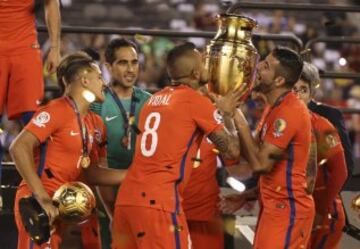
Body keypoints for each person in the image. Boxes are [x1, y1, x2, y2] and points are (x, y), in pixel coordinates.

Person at [111, 42, 240, 249]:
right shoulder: (194, 101)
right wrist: (228, 115)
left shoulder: (153, 100)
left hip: (127, 200)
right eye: (204, 64)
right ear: (196, 73)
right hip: (159, 202)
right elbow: (232, 150)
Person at [10, 56, 126, 249]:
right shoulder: (56, 110)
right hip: (40, 201)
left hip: (67, 204)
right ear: (85, 81)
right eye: (99, 77)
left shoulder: (96, 123)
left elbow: (93, 172)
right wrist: (42, 197)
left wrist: (134, 174)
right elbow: (19, 147)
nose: (104, 83)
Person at [219, 47, 314, 249]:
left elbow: (261, 165)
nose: (258, 67)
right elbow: (254, 155)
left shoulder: (289, 112)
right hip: (274, 206)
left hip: (288, 210)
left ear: (279, 81)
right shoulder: (275, 108)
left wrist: (239, 118)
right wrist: (247, 196)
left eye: (266, 66)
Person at [89, 38, 151, 249]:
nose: (131, 69)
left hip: (143, 196)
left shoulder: (149, 102)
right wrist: (112, 213)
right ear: (108, 66)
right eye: (123, 63)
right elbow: (96, 162)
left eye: (134, 62)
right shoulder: (97, 103)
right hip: (107, 197)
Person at [0, 0, 61, 209]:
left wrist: (55, 47)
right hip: (21, 47)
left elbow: (51, 3)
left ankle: (38, 193)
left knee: (37, 128)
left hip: (25, 47)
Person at [293, 62, 348, 249]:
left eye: (303, 90)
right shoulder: (275, 122)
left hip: (323, 213)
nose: (298, 95)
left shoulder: (322, 126)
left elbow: (341, 171)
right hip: (297, 211)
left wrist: (321, 211)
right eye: (293, 89)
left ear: (311, 95)